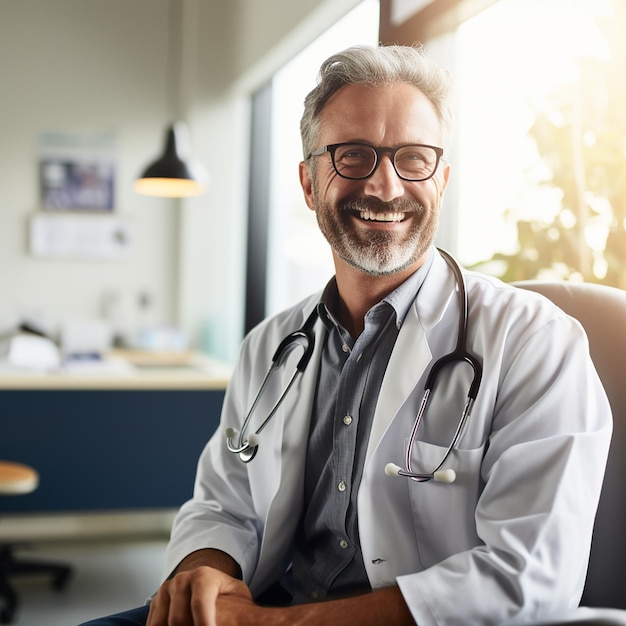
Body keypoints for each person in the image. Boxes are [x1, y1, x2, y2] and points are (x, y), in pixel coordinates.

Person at [80, 44, 612, 626]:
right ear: (309, 183)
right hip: (268, 606)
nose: (386, 186)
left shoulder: (535, 342)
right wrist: (206, 577)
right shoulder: (272, 345)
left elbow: (528, 573)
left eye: (413, 158)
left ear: (442, 180)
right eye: (353, 155)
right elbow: (224, 503)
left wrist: (273, 625)